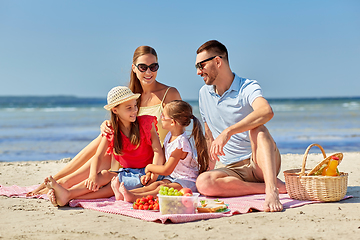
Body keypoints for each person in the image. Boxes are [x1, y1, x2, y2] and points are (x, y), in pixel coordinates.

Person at [27, 46, 181, 197]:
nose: (149, 72)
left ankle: (63, 185)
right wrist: (106, 124)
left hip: (154, 158)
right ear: (134, 68)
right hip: (130, 154)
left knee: (105, 145)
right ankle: (61, 181)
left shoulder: (169, 93)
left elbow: (179, 131)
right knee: (105, 136)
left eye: (153, 67)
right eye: (143, 67)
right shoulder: (131, 96)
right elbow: (122, 120)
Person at [194, 40, 286, 212]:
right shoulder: (203, 94)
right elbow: (209, 137)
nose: (199, 72)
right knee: (203, 183)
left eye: (202, 65)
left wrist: (228, 132)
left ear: (218, 61)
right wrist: (207, 171)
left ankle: (272, 189)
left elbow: (266, 111)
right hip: (232, 170)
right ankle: (268, 187)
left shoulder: (247, 87)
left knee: (258, 130)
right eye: (197, 67)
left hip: (258, 162)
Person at [44, 86, 165, 206]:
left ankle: (69, 195)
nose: (134, 111)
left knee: (112, 186)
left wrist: (152, 175)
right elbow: (98, 156)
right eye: (129, 108)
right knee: (104, 175)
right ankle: (67, 194)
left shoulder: (146, 123)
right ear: (115, 110)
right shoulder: (112, 130)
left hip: (148, 173)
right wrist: (92, 176)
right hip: (128, 172)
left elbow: (158, 152)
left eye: (135, 106)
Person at [112, 100, 209, 202]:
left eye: (163, 116)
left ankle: (133, 197)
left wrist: (149, 167)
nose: (160, 117)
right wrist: (149, 173)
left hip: (187, 181)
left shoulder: (180, 144)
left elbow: (167, 170)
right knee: (156, 184)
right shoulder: (169, 136)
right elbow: (162, 160)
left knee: (161, 189)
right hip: (174, 177)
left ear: (172, 122)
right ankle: (126, 193)